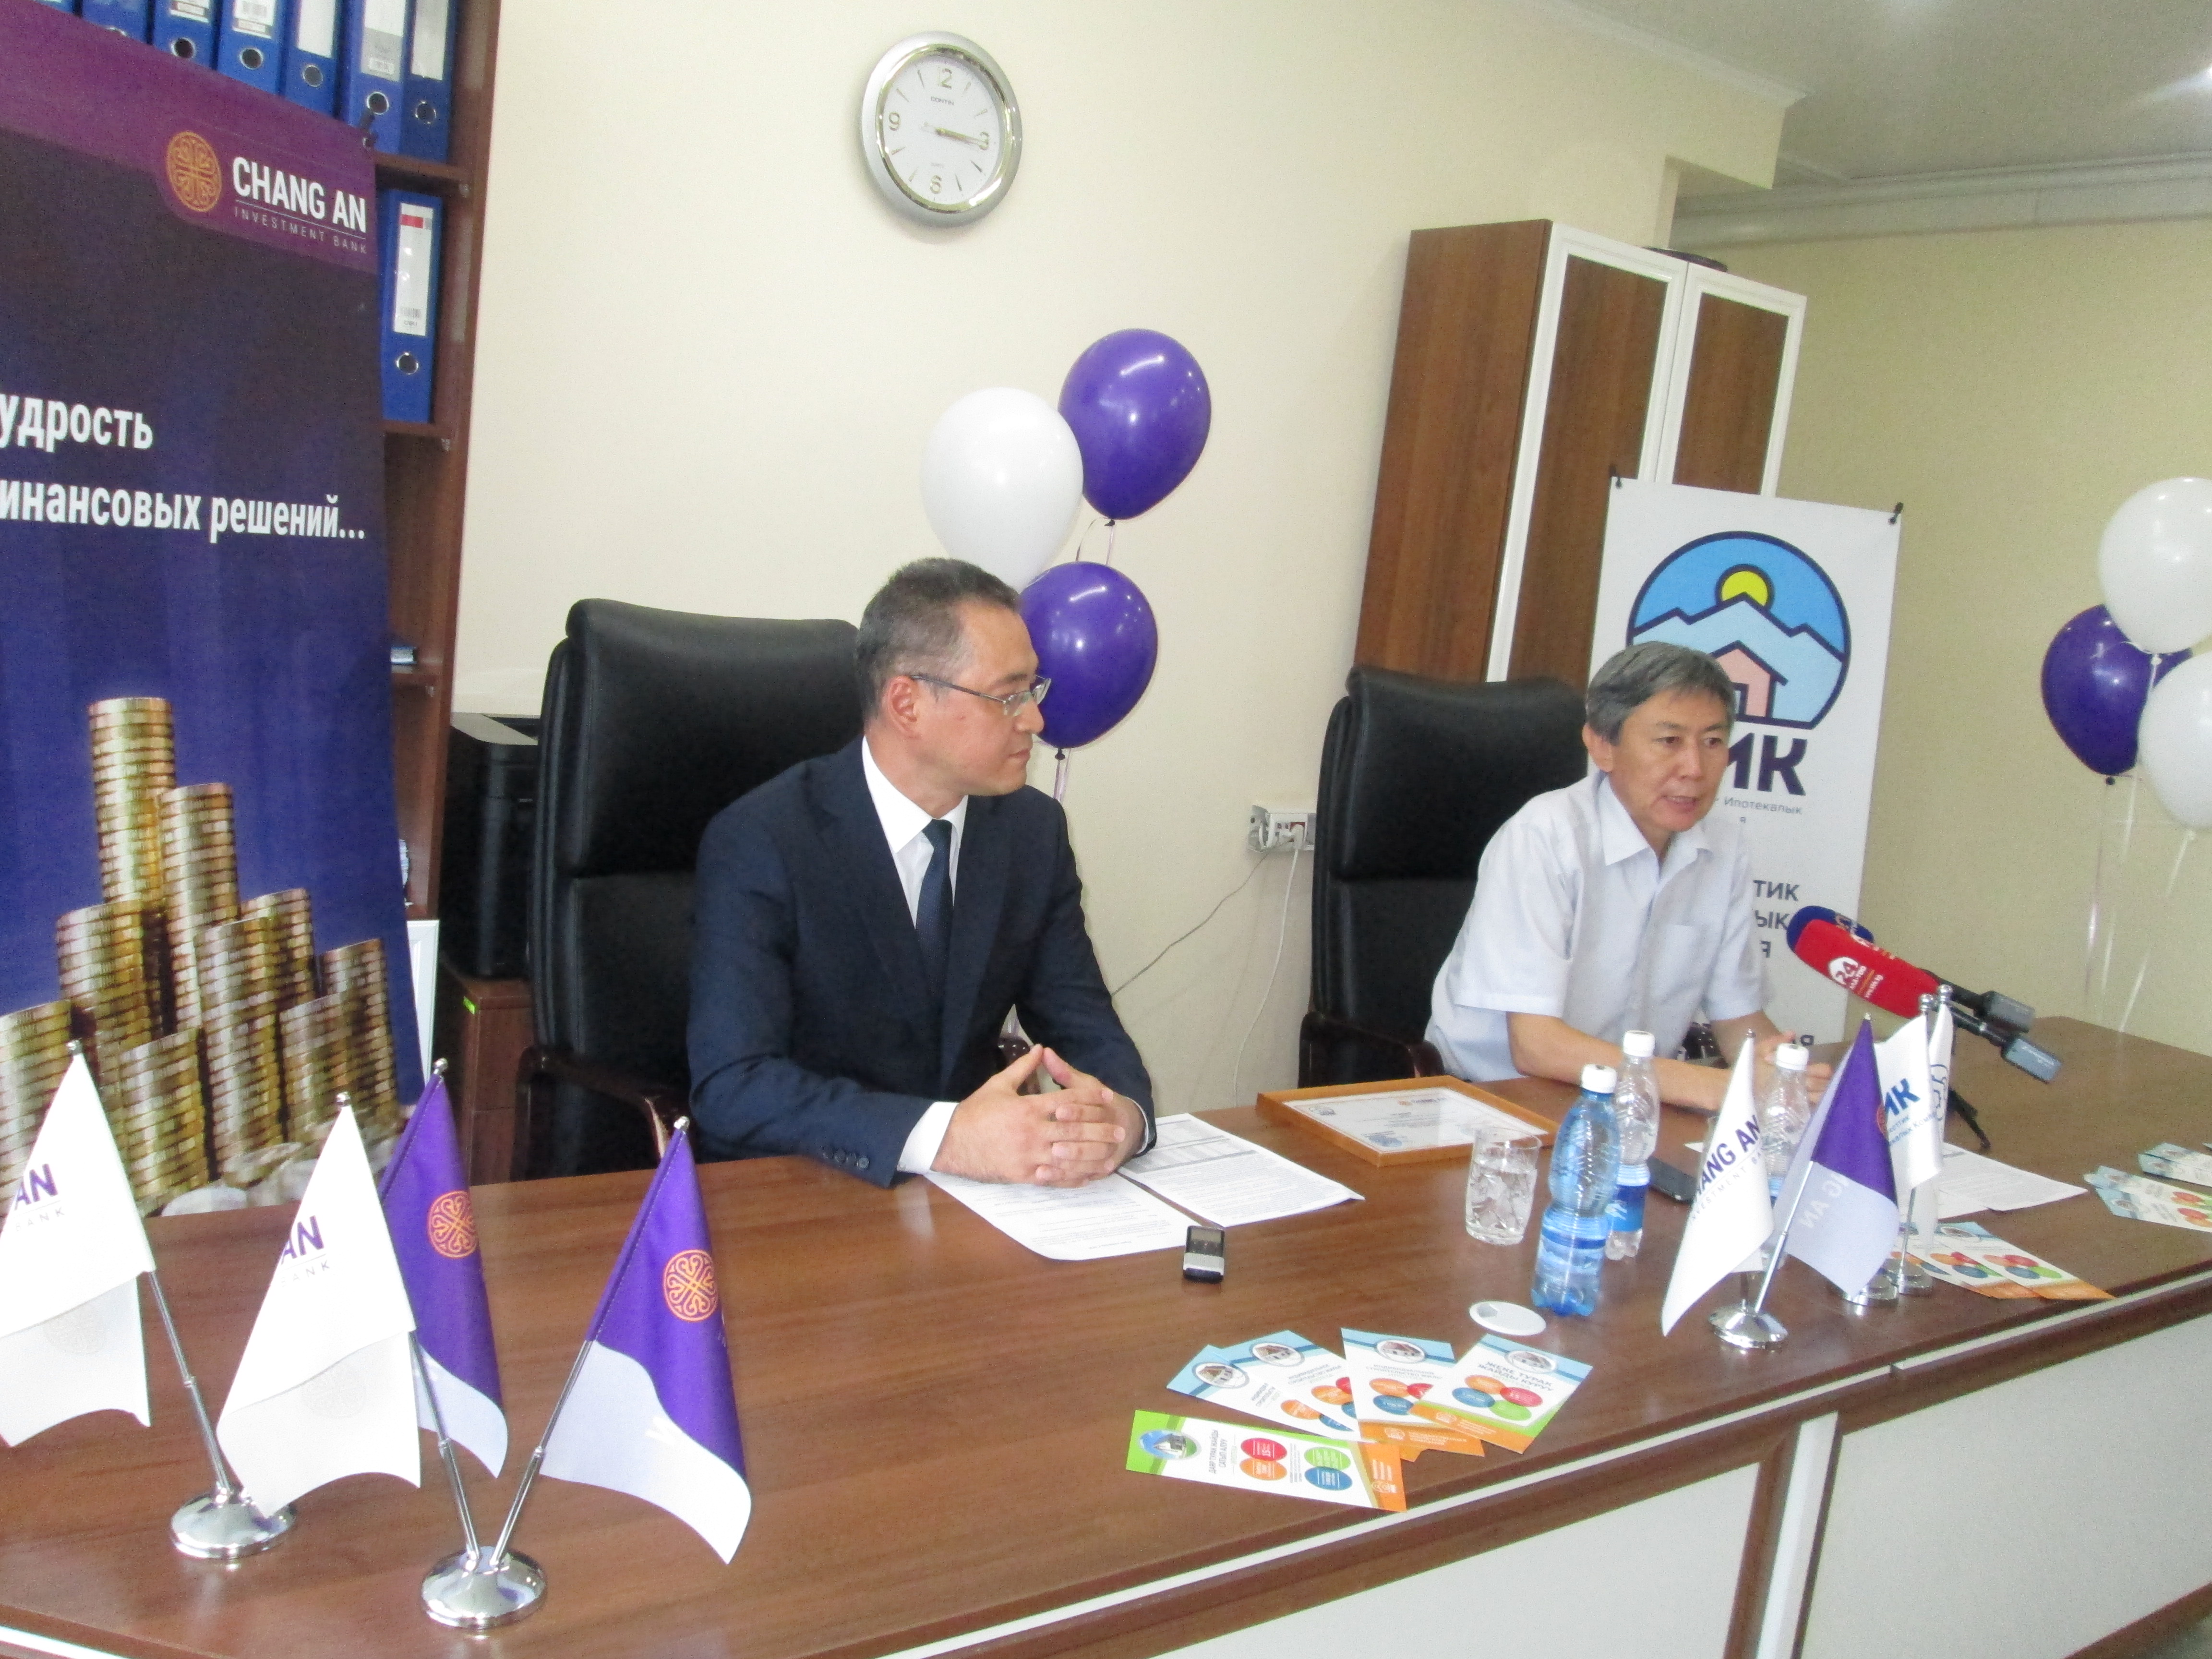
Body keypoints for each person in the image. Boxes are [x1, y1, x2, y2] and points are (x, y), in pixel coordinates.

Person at [688, 557, 1154, 1187]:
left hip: (972, 1197)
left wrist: (1122, 1119)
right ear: (906, 704)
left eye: (1033, 689)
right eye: (1008, 696)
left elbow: (1083, 1021)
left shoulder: (1030, 832)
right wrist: (946, 1138)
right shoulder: (762, 839)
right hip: (805, 1187)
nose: (1036, 721)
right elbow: (734, 1085)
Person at [1426, 641, 1821, 1112]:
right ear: (1602, 746)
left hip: (1630, 1101)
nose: (1694, 768)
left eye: (1713, 742)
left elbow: (1739, 1021)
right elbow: (1536, 1046)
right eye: (1669, 741)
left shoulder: (1724, 848)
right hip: (1490, 1100)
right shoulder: (1545, 837)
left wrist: (1787, 1078)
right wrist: (1725, 1089)